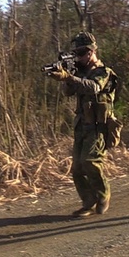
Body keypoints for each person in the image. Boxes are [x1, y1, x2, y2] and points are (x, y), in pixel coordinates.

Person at [47, 31, 118, 217]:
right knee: (77, 167)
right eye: (75, 54)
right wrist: (66, 75)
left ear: (91, 52)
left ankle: (103, 195)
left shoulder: (104, 72)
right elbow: (68, 93)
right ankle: (88, 201)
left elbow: (94, 87)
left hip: (98, 124)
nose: (77, 57)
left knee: (91, 162)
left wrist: (69, 77)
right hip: (82, 124)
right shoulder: (79, 71)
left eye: (80, 53)